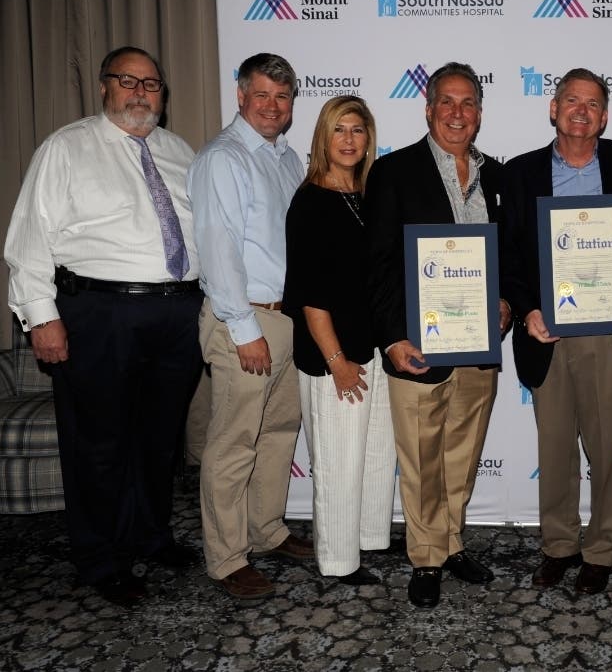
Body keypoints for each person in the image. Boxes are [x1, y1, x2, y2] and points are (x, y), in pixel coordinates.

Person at [4, 46, 204, 607]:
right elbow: (30, 238)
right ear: (103, 87)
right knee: (99, 442)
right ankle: (101, 558)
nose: (140, 93)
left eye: (151, 84)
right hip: (99, 312)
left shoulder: (179, 151)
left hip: (177, 313)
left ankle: (150, 536)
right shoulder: (65, 148)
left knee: (159, 439)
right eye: (127, 81)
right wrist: (42, 318)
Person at [364, 61, 510, 609]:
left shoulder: (496, 177)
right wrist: (392, 338)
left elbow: (510, 257)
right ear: (428, 110)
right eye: (446, 102)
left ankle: (450, 543)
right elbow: (377, 264)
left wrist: (508, 302)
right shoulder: (394, 172)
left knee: (462, 454)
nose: (457, 113)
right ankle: (425, 556)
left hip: (477, 344)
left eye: (468, 103)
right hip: (417, 345)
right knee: (422, 457)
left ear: (480, 113)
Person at [500, 68, 612, 596]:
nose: (581, 110)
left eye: (593, 103)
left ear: (605, 116)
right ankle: (558, 546)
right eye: (571, 100)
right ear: (553, 109)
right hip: (547, 331)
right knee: (555, 448)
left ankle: (601, 550)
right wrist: (528, 310)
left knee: (607, 449)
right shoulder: (520, 173)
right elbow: (508, 253)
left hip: (609, 332)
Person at [188, 52, 313, 600]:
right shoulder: (224, 158)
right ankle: (227, 556)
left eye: (282, 97)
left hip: (286, 318)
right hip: (246, 318)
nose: (271, 105)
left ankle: (266, 530)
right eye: (260, 94)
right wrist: (244, 329)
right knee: (234, 442)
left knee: (278, 433)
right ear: (240, 96)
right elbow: (219, 250)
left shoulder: (285, 158)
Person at [282, 96, 396, 585]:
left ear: (369, 139)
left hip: (373, 349)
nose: (349, 140)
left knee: (375, 454)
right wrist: (338, 361)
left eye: (357, 130)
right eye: (339, 130)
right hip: (334, 356)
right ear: (322, 138)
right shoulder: (310, 202)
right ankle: (337, 560)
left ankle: (368, 538)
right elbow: (310, 297)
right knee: (337, 462)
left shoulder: (367, 196)